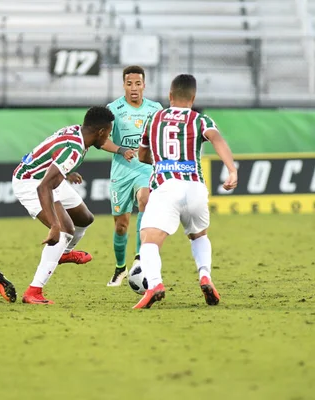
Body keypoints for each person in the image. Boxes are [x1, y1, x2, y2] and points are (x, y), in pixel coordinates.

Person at [133, 74, 238, 309]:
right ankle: (205, 276)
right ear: (194, 97)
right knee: (199, 235)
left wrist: (160, 161)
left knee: (149, 240)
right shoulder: (200, 120)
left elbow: (142, 155)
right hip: (195, 188)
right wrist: (232, 170)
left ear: (170, 96)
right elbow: (217, 139)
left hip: (165, 188)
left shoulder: (155, 118)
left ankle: (155, 285)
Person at [12, 106, 114, 304]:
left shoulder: (77, 132)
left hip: (46, 177)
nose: (107, 139)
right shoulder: (74, 149)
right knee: (64, 229)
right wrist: (54, 225)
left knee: (85, 218)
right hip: (31, 182)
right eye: (108, 134)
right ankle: (33, 291)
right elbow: (43, 187)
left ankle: (63, 253)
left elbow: (53, 153)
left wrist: (66, 172)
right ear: (100, 132)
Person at [104, 65, 163, 288]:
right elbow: (103, 140)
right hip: (121, 171)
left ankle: (140, 258)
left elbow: (160, 137)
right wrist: (120, 150)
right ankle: (120, 268)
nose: (134, 88)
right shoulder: (114, 109)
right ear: (124, 85)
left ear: (144, 85)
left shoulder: (155, 109)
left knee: (145, 200)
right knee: (121, 225)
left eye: (138, 83)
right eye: (130, 84)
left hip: (145, 167)